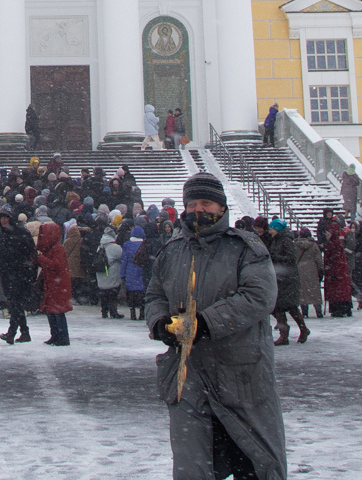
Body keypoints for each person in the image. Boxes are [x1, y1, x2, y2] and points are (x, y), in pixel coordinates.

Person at [144, 172, 285, 480]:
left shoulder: (245, 247)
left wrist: (204, 324)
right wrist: (159, 325)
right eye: (192, 203)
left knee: (255, 462)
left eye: (206, 202)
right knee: (192, 466)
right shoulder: (172, 250)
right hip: (187, 374)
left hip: (238, 374)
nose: (198, 209)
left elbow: (259, 296)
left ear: (221, 207)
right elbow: (155, 294)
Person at [0, 209, 37, 344]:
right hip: (9, 273)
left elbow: (31, 252)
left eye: (6, 218)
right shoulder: (1, 235)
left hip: (20, 273)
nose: (4, 220)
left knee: (15, 303)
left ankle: (12, 332)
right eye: (1, 218)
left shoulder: (20, 233)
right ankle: (24, 332)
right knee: (15, 303)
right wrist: (1, 266)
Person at [36, 220, 73, 346]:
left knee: (57, 311)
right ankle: (56, 335)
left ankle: (62, 336)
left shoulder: (57, 248)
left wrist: (40, 258)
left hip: (57, 284)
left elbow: (55, 265)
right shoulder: (52, 248)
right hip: (53, 283)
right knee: (52, 310)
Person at [269, 223, 307, 344]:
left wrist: (276, 257)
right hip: (280, 277)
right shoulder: (276, 240)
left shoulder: (286, 240)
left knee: (288, 306)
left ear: (278, 229)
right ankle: (285, 333)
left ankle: (295, 331)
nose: (270, 232)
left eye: (271, 229)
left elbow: (291, 257)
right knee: (280, 307)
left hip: (287, 278)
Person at [322, 217, 353, 317]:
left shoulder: (333, 244)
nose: (326, 235)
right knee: (342, 293)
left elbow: (334, 261)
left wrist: (331, 271)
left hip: (335, 275)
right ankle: (345, 309)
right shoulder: (336, 243)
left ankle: (338, 310)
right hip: (339, 274)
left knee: (337, 294)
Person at [95, 226, 125, 319]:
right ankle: (113, 311)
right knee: (113, 293)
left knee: (104, 293)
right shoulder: (115, 247)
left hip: (101, 273)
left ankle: (104, 311)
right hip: (112, 274)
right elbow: (122, 257)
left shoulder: (100, 246)